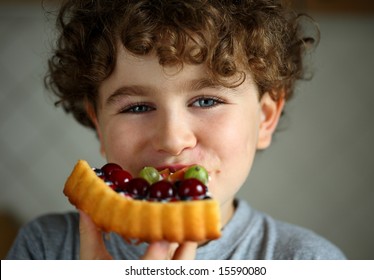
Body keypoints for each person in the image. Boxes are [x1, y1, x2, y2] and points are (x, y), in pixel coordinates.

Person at [7, 0, 345, 260]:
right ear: (99, 123)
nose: (172, 140)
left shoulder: (310, 261)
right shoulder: (44, 247)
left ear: (265, 118)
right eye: (137, 107)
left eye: (206, 101)